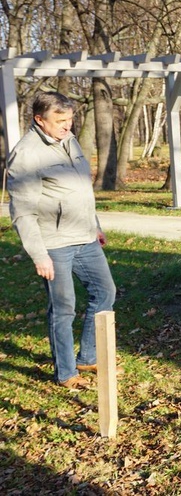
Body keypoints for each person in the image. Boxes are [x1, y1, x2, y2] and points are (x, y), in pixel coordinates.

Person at [7, 92, 118, 389]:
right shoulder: (26, 154)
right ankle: (66, 372)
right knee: (63, 307)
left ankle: (88, 356)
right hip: (54, 244)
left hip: (85, 238)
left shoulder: (69, 140)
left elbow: (81, 190)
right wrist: (38, 255)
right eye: (60, 121)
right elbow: (22, 212)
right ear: (39, 120)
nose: (67, 126)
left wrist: (94, 225)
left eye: (70, 119)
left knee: (105, 292)